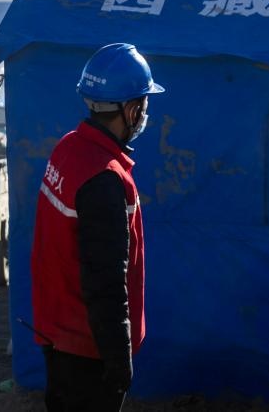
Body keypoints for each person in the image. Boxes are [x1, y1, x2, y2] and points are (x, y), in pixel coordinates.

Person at [31, 43, 164, 411]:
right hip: (88, 352)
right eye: (144, 104)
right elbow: (105, 281)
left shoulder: (68, 149)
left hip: (58, 336)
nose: (144, 113)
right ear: (131, 109)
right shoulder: (105, 179)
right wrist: (118, 360)